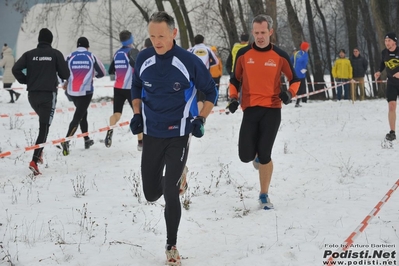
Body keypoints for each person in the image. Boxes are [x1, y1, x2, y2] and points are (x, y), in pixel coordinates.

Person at [130, 11, 217, 265]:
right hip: (152, 133)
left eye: (161, 36)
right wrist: (137, 114)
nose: (156, 41)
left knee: (170, 191)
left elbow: (211, 91)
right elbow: (136, 86)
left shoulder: (188, 61)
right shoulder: (144, 58)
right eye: (152, 36)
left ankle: (171, 245)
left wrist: (201, 119)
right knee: (150, 193)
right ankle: (179, 174)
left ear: (173, 33)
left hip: (179, 133)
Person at [226, 14, 300, 210]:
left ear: (271, 32)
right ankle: (256, 156)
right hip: (250, 109)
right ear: (252, 32)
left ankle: (264, 194)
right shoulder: (243, 54)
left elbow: (296, 79)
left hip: (272, 110)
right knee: (244, 155)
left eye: (263, 32)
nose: (259, 36)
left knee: (265, 154)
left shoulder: (280, 55)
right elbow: (234, 80)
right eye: (256, 32)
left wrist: (289, 94)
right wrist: (233, 99)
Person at [12, 28, 70, 175]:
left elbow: (15, 69)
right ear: (50, 41)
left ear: (39, 40)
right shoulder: (55, 54)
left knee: (43, 125)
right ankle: (35, 159)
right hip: (48, 96)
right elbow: (65, 74)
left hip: (32, 96)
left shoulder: (29, 54)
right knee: (44, 128)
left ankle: (39, 150)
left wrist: (26, 81)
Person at [60, 37, 106, 156]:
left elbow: (60, 71)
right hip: (86, 91)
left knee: (82, 114)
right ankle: (66, 141)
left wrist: (64, 83)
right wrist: (92, 74)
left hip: (72, 91)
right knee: (79, 116)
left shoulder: (69, 56)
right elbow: (102, 73)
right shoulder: (91, 56)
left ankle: (86, 140)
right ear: (87, 47)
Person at [104, 30, 143, 150]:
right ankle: (140, 142)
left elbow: (110, 71)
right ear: (131, 39)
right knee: (138, 114)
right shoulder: (133, 52)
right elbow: (139, 67)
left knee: (116, 114)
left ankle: (110, 130)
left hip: (118, 87)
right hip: (131, 88)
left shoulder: (117, 53)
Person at [374, 32, 399, 141]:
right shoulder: (384, 52)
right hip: (392, 83)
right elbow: (383, 63)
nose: (387, 43)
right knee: (391, 106)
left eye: (389, 41)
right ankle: (392, 132)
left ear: (394, 42)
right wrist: (379, 71)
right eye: (385, 41)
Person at [187, 34, 218, 111]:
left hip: (194, 73)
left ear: (194, 41)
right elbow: (216, 61)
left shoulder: (191, 50)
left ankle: (196, 112)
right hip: (205, 73)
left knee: (196, 94)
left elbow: (186, 61)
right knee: (203, 95)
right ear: (203, 41)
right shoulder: (208, 49)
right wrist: (208, 65)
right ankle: (201, 115)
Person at [291, 41, 309, 107]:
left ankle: (299, 101)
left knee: (298, 88)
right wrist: (302, 69)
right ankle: (300, 102)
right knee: (301, 88)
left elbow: (290, 61)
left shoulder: (296, 53)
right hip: (301, 74)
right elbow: (299, 62)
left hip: (295, 73)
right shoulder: (305, 54)